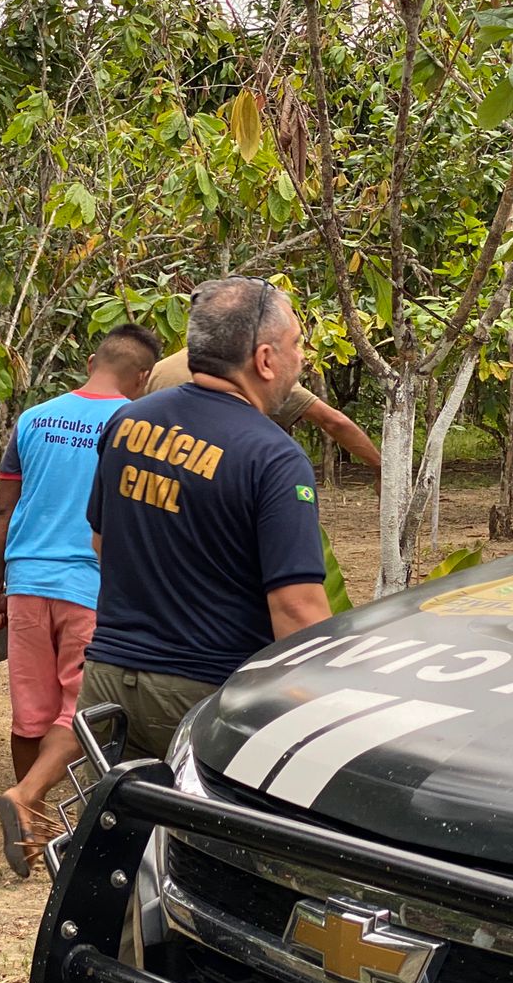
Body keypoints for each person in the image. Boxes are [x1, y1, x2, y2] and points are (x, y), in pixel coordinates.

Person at [78, 276, 334, 764]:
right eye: (296, 344)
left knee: (114, 833)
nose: (301, 358)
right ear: (263, 359)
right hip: (207, 690)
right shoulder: (274, 456)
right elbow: (298, 611)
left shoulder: (127, 422)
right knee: (205, 838)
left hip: (109, 677)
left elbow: (101, 543)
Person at [0, 324, 161, 877]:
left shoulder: (33, 420)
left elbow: (4, 510)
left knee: (30, 710)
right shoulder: (135, 426)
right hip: (91, 583)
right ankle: (29, 795)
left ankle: (31, 826)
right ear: (146, 376)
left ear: (90, 359)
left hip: (28, 579)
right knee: (81, 711)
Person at [146, 342, 382, 482]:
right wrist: (379, 467)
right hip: (219, 483)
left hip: (157, 483)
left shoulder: (160, 369)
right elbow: (333, 422)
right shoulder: (257, 373)